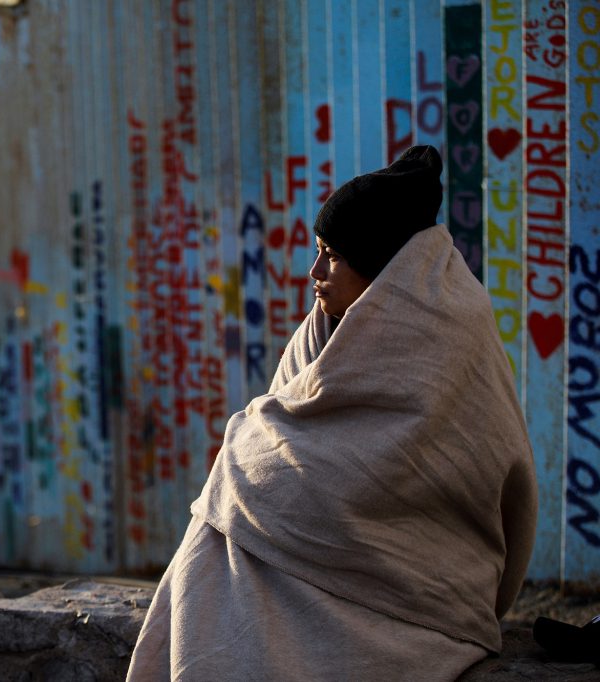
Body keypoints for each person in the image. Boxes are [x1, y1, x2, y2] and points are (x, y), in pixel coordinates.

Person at [126, 146, 537, 681]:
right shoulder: (323, 326)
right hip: (308, 556)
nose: (314, 271)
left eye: (334, 256)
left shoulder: (451, 332)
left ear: (385, 268)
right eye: (318, 250)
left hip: (419, 584)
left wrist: (257, 467)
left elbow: (435, 473)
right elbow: (290, 438)